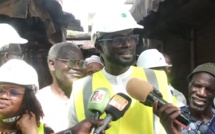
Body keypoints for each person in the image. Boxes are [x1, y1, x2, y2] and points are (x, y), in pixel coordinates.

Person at [68, 7, 175, 134]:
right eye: (118, 39)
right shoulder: (81, 88)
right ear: (99, 47)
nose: (128, 44)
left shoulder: (157, 78)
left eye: (131, 37)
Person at [36, 42, 87, 133]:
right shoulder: (38, 100)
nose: (77, 68)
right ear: (52, 64)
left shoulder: (89, 97)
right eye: (71, 62)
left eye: (81, 63)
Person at [153, 62, 215, 134]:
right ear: (189, 85)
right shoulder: (172, 117)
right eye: (197, 86)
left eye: (209, 89)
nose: (201, 93)